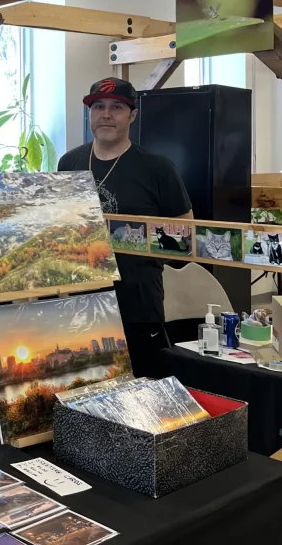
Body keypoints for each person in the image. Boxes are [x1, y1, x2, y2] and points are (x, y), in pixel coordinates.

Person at [58, 77, 193, 377]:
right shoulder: (69, 163)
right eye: (98, 107)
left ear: (132, 115)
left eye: (117, 107)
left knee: (146, 401)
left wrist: (130, 238)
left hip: (138, 308)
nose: (106, 114)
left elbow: (187, 240)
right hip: (81, 306)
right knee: (85, 399)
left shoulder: (158, 168)